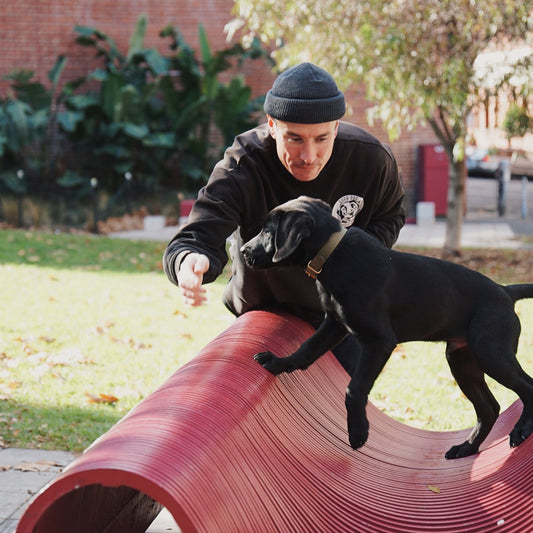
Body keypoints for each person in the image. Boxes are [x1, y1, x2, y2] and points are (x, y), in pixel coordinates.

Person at [163, 62, 406, 374]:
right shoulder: (243, 165)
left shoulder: (371, 159)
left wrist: (352, 262)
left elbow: (390, 215)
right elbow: (196, 236)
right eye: (294, 138)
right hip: (264, 308)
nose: (308, 156)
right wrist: (188, 261)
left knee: (337, 413)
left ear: (336, 128)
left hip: (340, 312)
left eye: (321, 139)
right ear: (272, 125)